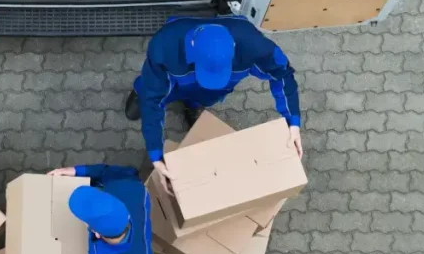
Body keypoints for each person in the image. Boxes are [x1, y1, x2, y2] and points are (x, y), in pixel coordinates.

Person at [126, 16, 303, 180]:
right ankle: (137, 94)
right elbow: (153, 99)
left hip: (214, 89)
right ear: (191, 47)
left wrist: (292, 121)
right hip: (173, 78)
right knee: (149, 88)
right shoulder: (164, 47)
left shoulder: (255, 46)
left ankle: (192, 104)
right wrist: (155, 151)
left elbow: (282, 74)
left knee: (206, 96)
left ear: (233, 49)